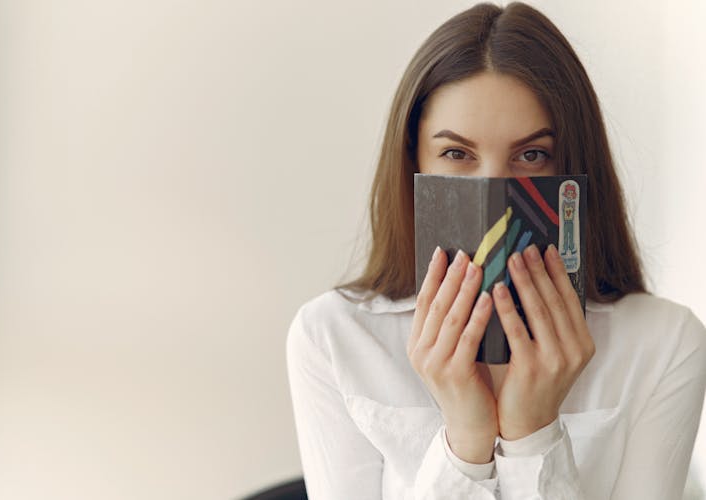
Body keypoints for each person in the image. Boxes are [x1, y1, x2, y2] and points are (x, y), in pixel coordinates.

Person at [285, 2, 706, 499]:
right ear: (413, 163)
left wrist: (533, 433)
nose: (495, 196)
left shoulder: (663, 342)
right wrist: (466, 439)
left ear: (573, 169)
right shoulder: (333, 338)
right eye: (457, 154)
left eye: (531, 155)